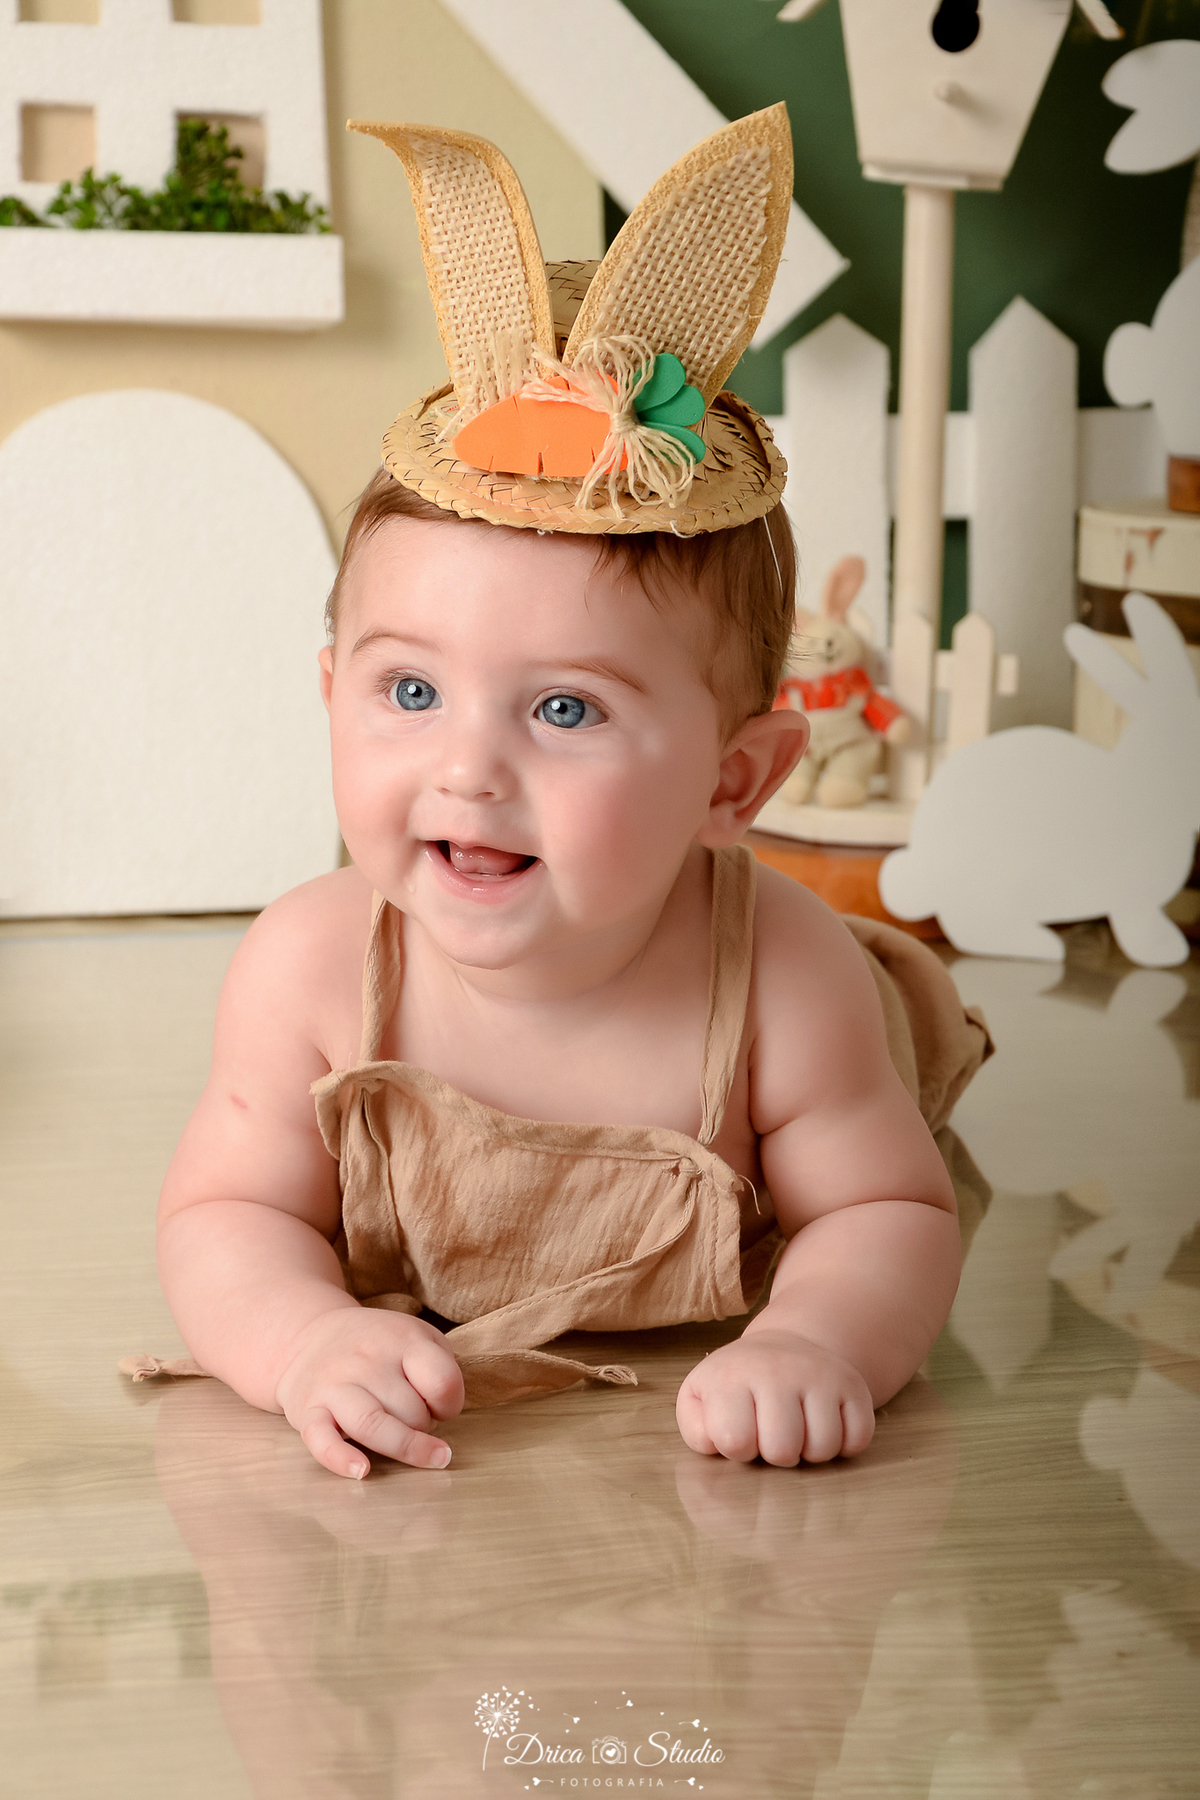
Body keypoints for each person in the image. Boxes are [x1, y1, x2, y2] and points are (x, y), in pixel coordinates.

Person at [149, 107, 987, 1479]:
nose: (468, 768)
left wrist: (817, 1341)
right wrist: (301, 1339)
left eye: (564, 709)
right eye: (410, 692)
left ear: (735, 780)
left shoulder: (784, 975)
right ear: (328, 693)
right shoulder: (307, 968)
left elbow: (889, 1209)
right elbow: (224, 1212)